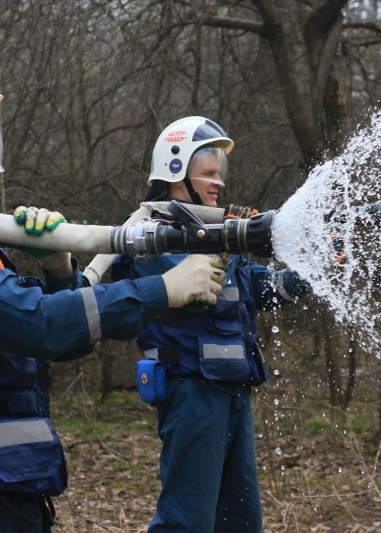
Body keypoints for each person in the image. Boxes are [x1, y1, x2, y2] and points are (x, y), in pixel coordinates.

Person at [0, 67, 226, 532]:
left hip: (7, 495)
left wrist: (57, 266)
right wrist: (162, 289)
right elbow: (42, 324)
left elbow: (68, 342)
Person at [110, 116, 312, 533]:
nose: (219, 182)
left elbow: (271, 289)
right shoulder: (151, 238)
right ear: (175, 173)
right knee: (188, 519)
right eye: (208, 174)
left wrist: (325, 258)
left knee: (240, 519)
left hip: (233, 391)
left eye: (220, 173)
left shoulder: (220, 237)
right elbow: (194, 282)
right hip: (191, 391)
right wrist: (230, 237)